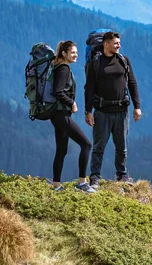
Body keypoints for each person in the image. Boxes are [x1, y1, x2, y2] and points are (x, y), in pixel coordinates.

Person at [84, 32, 142, 189]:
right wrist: (88, 111)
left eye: (119, 42)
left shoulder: (124, 61)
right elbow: (89, 88)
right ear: (106, 44)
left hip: (122, 111)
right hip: (102, 112)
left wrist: (137, 107)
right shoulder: (95, 63)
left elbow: (132, 84)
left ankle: (121, 174)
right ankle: (95, 176)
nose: (119, 45)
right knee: (98, 147)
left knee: (121, 146)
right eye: (116, 43)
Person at [50, 40, 96, 193]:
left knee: (61, 150)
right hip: (62, 115)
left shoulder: (59, 67)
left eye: (76, 52)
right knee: (86, 144)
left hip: (57, 114)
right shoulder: (63, 69)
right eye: (73, 52)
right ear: (64, 53)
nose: (76, 55)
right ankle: (82, 182)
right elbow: (58, 91)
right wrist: (72, 103)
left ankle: (56, 185)